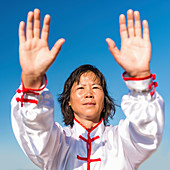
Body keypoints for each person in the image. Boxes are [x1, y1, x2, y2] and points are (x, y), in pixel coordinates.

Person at [11, 8, 164, 170]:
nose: (89, 94)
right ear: (68, 101)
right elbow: (35, 131)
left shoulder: (121, 140)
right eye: (81, 88)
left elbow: (147, 130)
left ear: (104, 100)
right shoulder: (57, 143)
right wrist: (32, 81)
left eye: (96, 87)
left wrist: (140, 79)